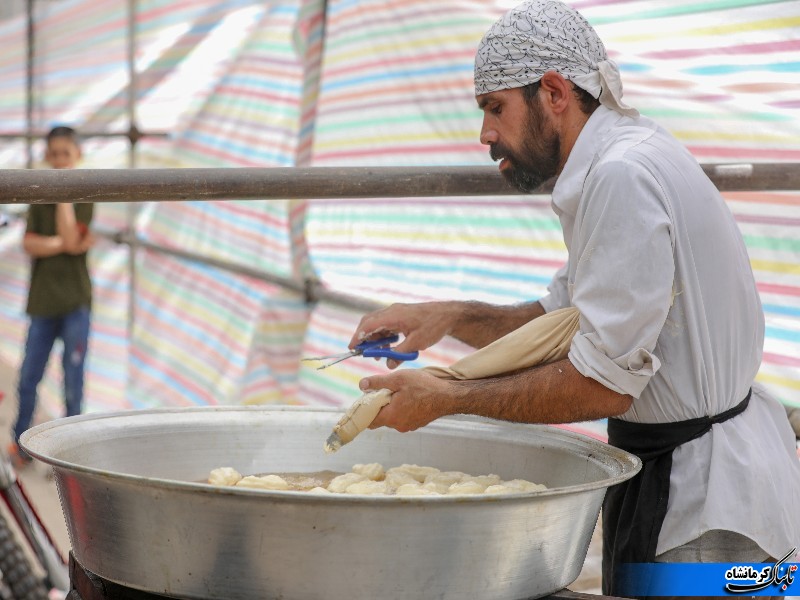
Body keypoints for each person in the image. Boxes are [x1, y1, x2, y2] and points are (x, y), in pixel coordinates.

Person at [347, 0, 800, 595]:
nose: (485, 133)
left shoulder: (622, 176)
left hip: (707, 506)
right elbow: (559, 322)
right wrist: (450, 317)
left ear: (555, 93)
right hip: (696, 475)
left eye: (495, 108)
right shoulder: (615, 162)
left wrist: (447, 398)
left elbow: (604, 382)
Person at [8, 126, 95, 468]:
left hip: (76, 302)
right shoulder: (36, 195)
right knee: (29, 377)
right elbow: (33, 243)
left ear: (77, 157)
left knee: (73, 382)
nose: (59, 161)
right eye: (54, 154)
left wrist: (63, 199)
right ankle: (19, 445)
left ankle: (69, 454)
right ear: (46, 156)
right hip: (43, 303)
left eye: (65, 154)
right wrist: (64, 243)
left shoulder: (87, 196)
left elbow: (67, 237)